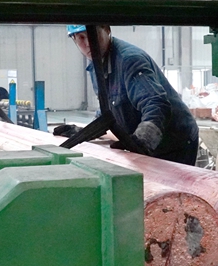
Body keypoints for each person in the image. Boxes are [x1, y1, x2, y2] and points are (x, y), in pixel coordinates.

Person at [60, 25, 198, 165]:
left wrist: (143, 141)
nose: (89, 43)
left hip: (174, 142)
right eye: (81, 38)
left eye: (93, 34)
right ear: (74, 40)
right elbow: (108, 112)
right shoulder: (97, 66)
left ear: (107, 30)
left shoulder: (129, 60)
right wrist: (82, 133)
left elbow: (156, 104)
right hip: (145, 142)